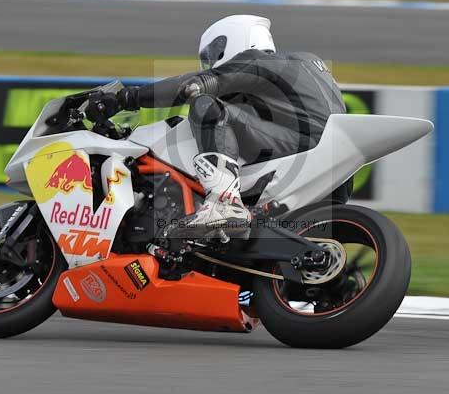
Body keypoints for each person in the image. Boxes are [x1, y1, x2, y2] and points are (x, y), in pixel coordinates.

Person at [87, 14, 345, 238]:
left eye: (211, 55)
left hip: (301, 145)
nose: (209, 63)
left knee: (206, 105)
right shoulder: (305, 64)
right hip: (331, 166)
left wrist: (128, 97)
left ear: (231, 41)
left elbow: (198, 82)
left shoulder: (256, 60)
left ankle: (224, 202)